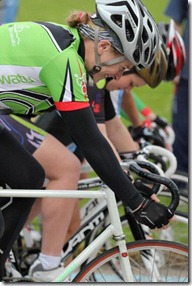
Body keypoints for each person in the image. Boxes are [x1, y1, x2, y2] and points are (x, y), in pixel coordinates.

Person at [0, 0, 175, 282]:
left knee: (29, 176)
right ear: (104, 47)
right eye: (125, 66)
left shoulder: (69, 47)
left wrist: (132, 184)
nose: (120, 74)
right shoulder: (65, 61)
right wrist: (137, 203)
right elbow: (91, 141)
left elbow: (99, 135)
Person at [164, 0, 188, 174]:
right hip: (188, 72)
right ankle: (181, 173)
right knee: (183, 125)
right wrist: (176, 64)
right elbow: (175, 23)